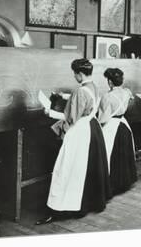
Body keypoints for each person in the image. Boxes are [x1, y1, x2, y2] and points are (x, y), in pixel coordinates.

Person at [36, 59, 112, 225]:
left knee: (66, 168)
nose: (74, 76)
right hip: (92, 127)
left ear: (79, 73)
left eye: (75, 73)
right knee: (81, 169)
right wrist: (65, 96)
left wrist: (49, 112)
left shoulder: (80, 91)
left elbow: (70, 117)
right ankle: (84, 203)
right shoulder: (93, 86)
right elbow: (85, 100)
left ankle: (61, 207)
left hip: (80, 130)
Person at [98, 68, 138, 196]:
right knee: (124, 155)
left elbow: (104, 118)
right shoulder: (127, 92)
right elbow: (129, 98)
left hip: (112, 127)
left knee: (109, 154)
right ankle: (126, 182)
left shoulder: (107, 96)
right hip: (124, 125)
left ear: (110, 81)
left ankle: (113, 185)